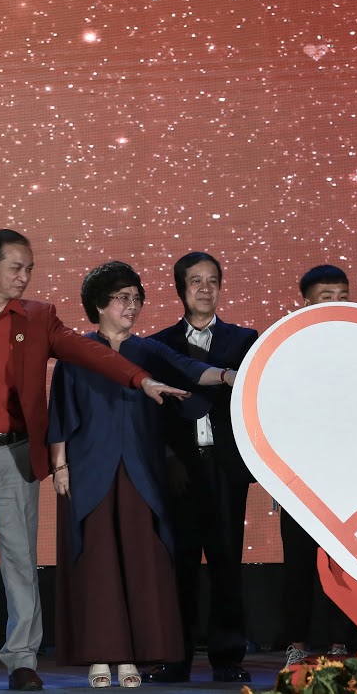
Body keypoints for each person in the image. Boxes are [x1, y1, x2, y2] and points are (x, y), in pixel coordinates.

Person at [0, 230, 189, 693]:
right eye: (16, 267)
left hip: (18, 454)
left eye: (29, 268)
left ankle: (22, 660)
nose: (25, 276)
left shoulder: (40, 318)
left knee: (21, 562)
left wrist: (141, 380)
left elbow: (91, 352)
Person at [48, 261, 241, 689]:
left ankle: (131, 657)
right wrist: (60, 467)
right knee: (97, 561)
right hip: (90, 469)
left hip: (142, 469)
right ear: (99, 305)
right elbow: (59, 413)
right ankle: (100, 656)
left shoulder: (148, 351)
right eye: (123, 299)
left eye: (137, 299)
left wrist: (231, 376)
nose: (132, 307)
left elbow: (193, 371)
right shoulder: (77, 353)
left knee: (141, 560)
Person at [142, 252, 259, 684]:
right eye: (196, 281)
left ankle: (227, 658)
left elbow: (254, 403)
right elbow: (151, 413)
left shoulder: (244, 340)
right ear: (181, 289)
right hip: (180, 469)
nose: (205, 288)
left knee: (227, 562)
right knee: (181, 564)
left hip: (226, 467)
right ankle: (176, 658)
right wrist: (169, 458)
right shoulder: (158, 345)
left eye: (212, 280)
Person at [280, 265, 357, 667]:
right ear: (306, 303)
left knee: (343, 562)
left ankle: (341, 641)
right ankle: (297, 642)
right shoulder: (285, 351)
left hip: (348, 478)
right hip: (300, 480)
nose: (337, 304)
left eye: (343, 297)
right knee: (298, 563)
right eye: (327, 297)